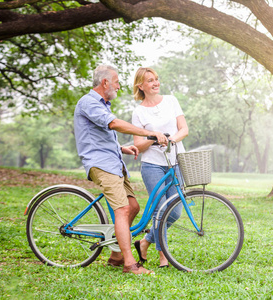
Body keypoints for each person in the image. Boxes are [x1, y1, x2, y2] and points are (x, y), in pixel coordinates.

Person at [74, 65, 167, 275]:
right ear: (105, 82)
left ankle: (116, 254)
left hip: (114, 162)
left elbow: (99, 137)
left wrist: (121, 148)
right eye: (116, 82)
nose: (118, 86)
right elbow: (114, 124)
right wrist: (150, 133)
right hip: (101, 165)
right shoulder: (88, 102)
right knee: (122, 209)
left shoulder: (103, 105)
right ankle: (129, 264)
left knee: (132, 206)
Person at [131, 67, 189, 268]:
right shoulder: (138, 112)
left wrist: (171, 139)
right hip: (152, 166)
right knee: (160, 210)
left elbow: (184, 129)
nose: (155, 83)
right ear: (141, 85)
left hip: (175, 163)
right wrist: (154, 137)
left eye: (156, 79)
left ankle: (145, 242)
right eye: (150, 80)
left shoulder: (171, 101)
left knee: (175, 211)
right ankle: (163, 255)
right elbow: (137, 144)